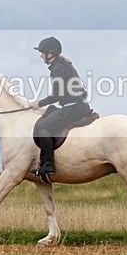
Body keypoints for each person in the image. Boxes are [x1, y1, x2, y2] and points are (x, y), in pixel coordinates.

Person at [30, 37, 91, 182]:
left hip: (73, 108)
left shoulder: (58, 67)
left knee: (44, 125)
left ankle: (48, 165)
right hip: (77, 105)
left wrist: (39, 103)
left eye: (42, 52)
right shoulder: (62, 64)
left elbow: (57, 95)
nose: (40, 55)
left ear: (50, 53)